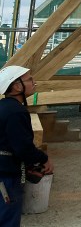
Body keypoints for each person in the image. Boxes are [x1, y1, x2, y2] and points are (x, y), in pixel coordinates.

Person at [0, 65, 52, 226]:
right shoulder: (16, 112)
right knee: (8, 218)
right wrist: (43, 160)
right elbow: (23, 147)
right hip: (5, 174)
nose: (33, 82)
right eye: (29, 79)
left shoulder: (4, 107)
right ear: (16, 86)